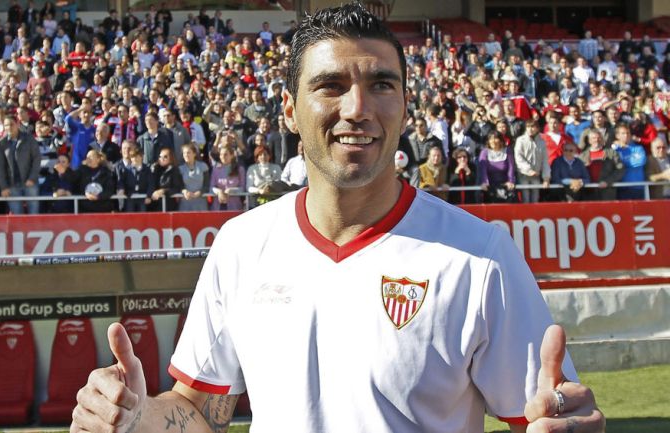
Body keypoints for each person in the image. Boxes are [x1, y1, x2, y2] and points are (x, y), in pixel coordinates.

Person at [72, 4, 604, 433]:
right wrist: (138, 418)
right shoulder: (241, 245)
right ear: (288, 109)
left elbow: (538, 417)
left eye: (382, 84)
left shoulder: (480, 257)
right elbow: (199, 411)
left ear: (404, 105)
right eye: (331, 85)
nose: (358, 108)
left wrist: (566, 423)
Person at [0, 116, 41, 214]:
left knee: (34, 214)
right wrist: (3, 187)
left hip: (30, 183)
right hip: (12, 185)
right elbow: (0, 166)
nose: (9, 127)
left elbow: (37, 159)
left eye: (11, 124)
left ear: (18, 124)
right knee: (17, 217)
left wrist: (32, 178)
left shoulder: (29, 139)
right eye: (6, 125)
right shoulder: (2, 143)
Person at [579, 130, 624, 201]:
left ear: (602, 139)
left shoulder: (612, 153)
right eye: (594, 138)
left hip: (607, 192)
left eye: (599, 138)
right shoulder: (582, 156)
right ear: (589, 141)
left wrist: (607, 181)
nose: (596, 140)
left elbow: (620, 170)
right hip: (588, 192)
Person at [514, 120, 550, 203]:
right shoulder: (520, 140)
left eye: (533, 127)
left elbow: (545, 161)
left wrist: (546, 178)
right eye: (528, 127)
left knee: (535, 198)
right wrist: (529, 170)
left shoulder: (542, 142)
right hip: (523, 175)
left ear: (537, 128)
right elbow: (518, 158)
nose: (530, 129)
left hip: (536, 175)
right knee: (525, 198)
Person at [479, 130, 517, 203]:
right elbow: (483, 169)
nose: (493, 141)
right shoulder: (484, 152)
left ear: (500, 140)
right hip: (490, 185)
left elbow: (511, 168)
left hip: (505, 184)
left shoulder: (507, 151)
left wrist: (511, 181)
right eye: (491, 139)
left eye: (495, 138)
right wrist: (484, 182)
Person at [209, 144, 245, 211]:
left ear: (231, 155)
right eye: (221, 154)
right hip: (218, 206)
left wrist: (231, 190)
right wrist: (219, 191)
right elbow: (211, 188)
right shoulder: (216, 169)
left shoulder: (240, 169)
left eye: (225, 154)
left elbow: (242, 188)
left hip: (234, 207)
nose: (223, 157)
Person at [150, 147, 184, 212]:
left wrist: (163, 191)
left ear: (171, 158)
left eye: (165, 157)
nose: (162, 159)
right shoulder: (154, 169)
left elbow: (177, 188)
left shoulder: (174, 170)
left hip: (168, 205)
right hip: (154, 205)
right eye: (160, 156)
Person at [178, 143, 209, 211]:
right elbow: (179, 185)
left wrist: (199, 192)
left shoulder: (203, 166)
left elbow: (207, 184)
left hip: (200, 202)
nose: (186, 155)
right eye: (184, 153)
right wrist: (184, 191)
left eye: (188, 152)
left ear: (194, 154)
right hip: (185, 203)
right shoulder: (180, 169)